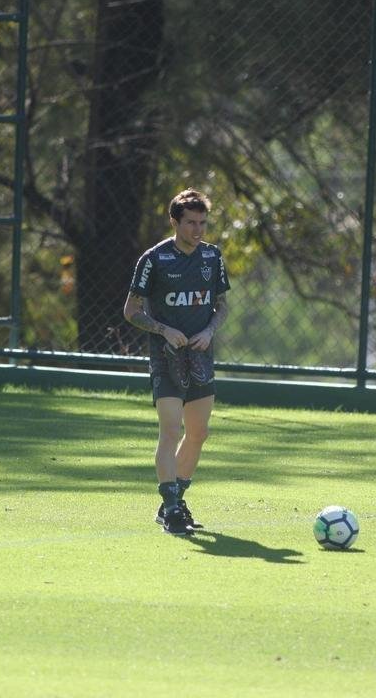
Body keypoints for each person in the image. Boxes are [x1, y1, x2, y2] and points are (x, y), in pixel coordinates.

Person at [123, 188, 231, 535]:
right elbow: (131, 311)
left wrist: (210, 330)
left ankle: (175, 500)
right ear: (175, 222)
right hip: (166, 357)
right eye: (190, 223)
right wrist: (163, 329)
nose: (198, 230)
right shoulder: (153, 259)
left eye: (202, 222)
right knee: (170, 430)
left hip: (199, 356)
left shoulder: (212, 257)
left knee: (198, 433)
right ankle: (171, 509)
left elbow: (222, 306)